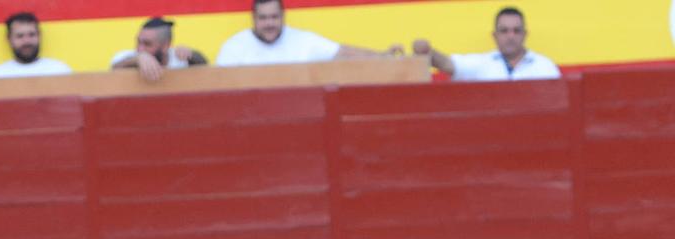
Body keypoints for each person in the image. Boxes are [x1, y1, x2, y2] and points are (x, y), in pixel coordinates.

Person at [216, 0, 401, 65]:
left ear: (283, 16)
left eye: (274, 17)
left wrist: (383, 56)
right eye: (263, 18)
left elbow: (342, 52)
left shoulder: (302, 40)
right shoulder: (234, 47)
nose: (269, 23)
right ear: (253, 19)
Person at [413, 6, 560, 81]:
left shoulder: (545, 66)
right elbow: (448, 64)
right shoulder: (481, 63)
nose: (510, 36)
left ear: (525, 34)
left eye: (516, 30)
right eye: (504, 31)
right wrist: (427, 52)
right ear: (494, 35)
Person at [111, 17, 208, 82]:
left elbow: (204, 64)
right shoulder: (128, 56)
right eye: (138, 42)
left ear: (166, 46)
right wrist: (137, 59)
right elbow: (114, 68)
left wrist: (190, 54)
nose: (140, 48)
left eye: (147, 44)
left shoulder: (178, 59)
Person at [0, 12, 72, 79]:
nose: (27, 41)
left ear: (39, 36)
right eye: (20, 36)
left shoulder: (59, 70)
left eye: (31, 34)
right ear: (9, 39)